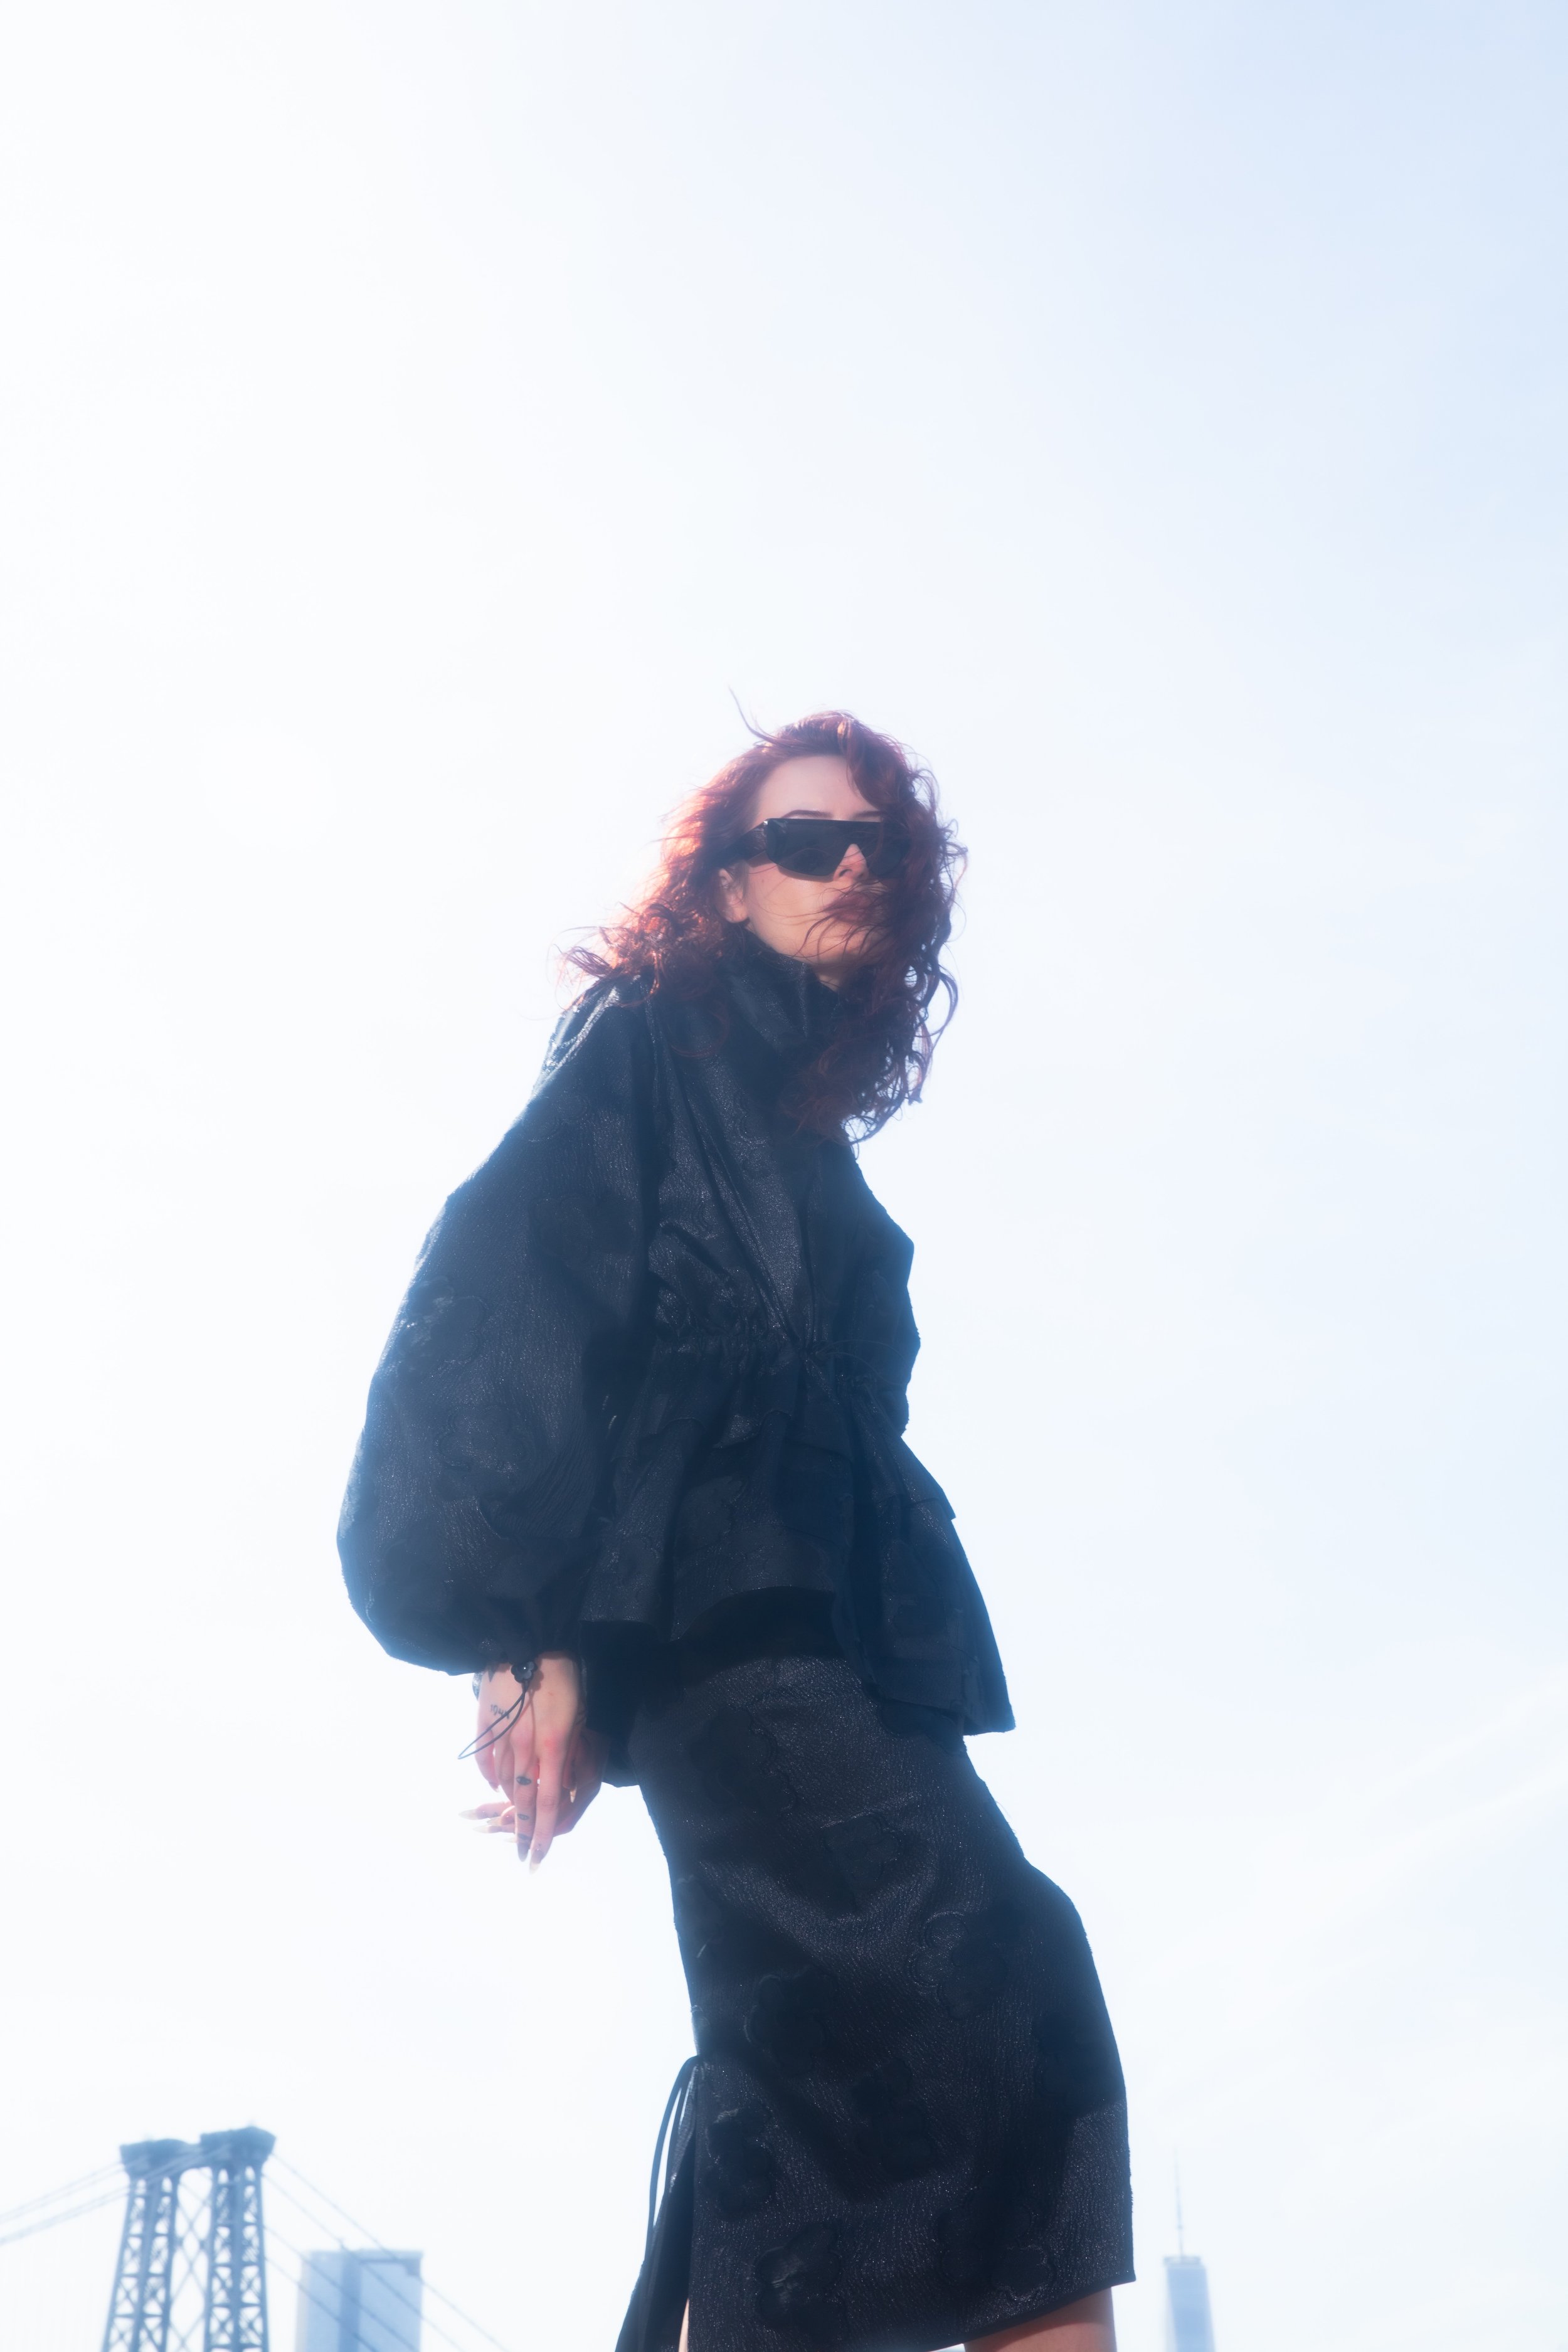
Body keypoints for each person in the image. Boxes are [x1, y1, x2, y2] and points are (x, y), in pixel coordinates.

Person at [339, 712, 1134, 2352]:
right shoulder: (654, 1044)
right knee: (1003, 1985)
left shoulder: (796, 1118)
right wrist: (516, 1638)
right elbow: (506, 1307)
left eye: (873, 847)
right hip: (741, 1654)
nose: (846, 868)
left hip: (842, 1649)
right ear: (720, 886)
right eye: (801, 841)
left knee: (837, 2077)